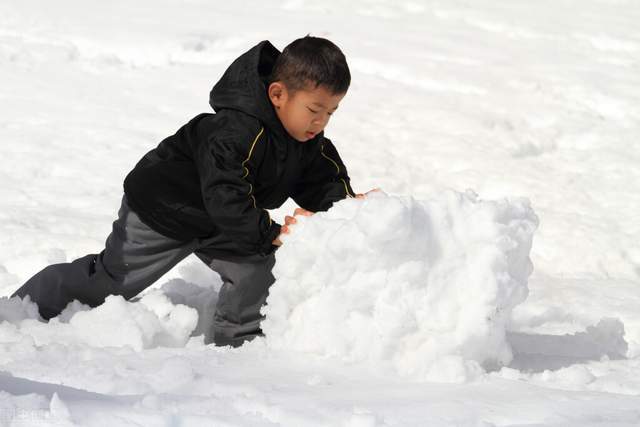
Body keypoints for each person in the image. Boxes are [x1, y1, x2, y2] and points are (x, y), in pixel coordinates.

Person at [11, 35, 373, 347]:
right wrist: (271, 233)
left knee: (254, 271)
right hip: (164, 211)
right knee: (109, 281)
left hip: (222, 222)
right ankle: (23, 306)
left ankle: (238, 345)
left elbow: (322, 178)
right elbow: (225, 193)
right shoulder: (235, 131)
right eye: (315, 109)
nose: (321, 122)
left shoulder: (306, 138)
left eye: (331, 112)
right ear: (278, 94)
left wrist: (345, 212)